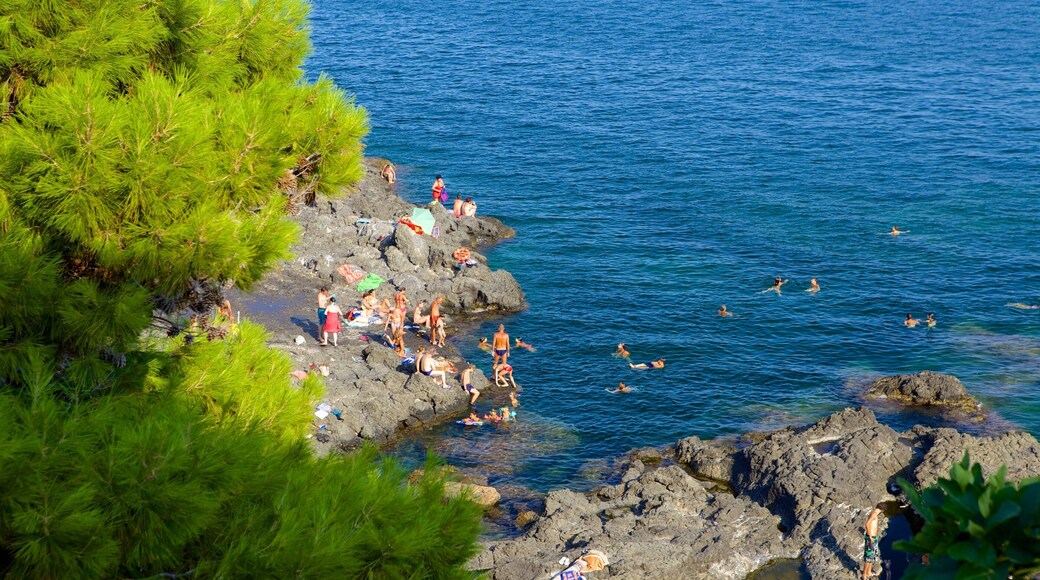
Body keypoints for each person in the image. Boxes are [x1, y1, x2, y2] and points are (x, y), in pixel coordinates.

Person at [862, 505, 884, 579]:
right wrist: (870, 536)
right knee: (868, 557)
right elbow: (867, 524)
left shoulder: (874, 513)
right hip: (870, 538)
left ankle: (868, 572)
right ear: (882, 510)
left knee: (872, 556)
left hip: (874, 538)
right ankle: (864, 575)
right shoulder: (874, 514)